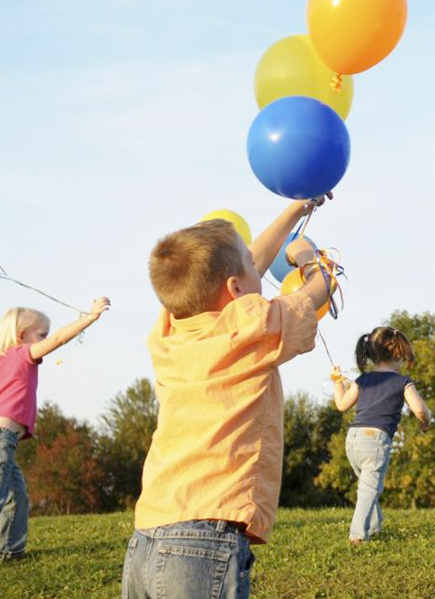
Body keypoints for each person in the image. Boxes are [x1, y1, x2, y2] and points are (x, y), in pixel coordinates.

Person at [122, 197, 336, 598]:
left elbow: (235, 272)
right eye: (251, 269)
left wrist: (294, 211)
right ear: (236, 289)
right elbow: (318, 291)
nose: (258, 269)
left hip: (147, 538)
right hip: (203, 541)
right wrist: (309, 259)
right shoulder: (250, 325)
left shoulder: (168, 330)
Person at [0, 299, 109, 578]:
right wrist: (89, 318)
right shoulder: (22, 355)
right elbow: (59, 339)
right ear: (21, 337)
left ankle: (8, 551)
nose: (43, 340)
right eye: (40, 334)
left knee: (16, 496)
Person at [330, 326, 433, 544]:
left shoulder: (362, 380)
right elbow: (420, 410)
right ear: (399, 353)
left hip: (353, 439)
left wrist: (337, 383)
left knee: (368, 485)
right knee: (369, 489)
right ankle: (357, 536)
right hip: (375, 440)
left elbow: (341, 405)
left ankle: (375, 527)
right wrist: (426, 421)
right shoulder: (403, 382)